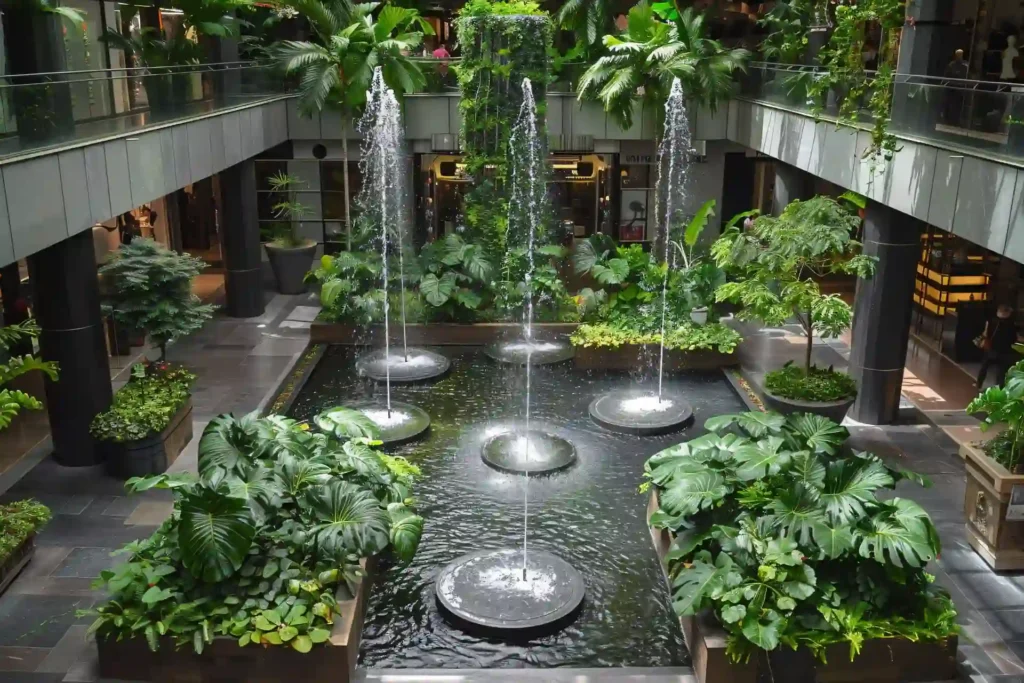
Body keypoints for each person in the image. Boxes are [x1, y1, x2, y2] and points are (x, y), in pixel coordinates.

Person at [976, 304, 1020, 387]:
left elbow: (985, 333)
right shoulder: (1011, 324)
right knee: (1001, 371)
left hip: (991, 348)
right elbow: (1013, 338)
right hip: (1004, 351)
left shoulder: (991, 321)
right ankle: (999, 387)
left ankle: (979, 383)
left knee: (984, 366)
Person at [943, 49, 969, 126]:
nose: (959, 56)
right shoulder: (951, 65)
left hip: (960, 88)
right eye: (958, 55)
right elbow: (947, 75)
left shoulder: (966, 65)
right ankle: (948, 120)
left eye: (960, 55)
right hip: (952, 88)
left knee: (958, 106)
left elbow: (967, 75)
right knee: (950, 104)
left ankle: (956, 121)